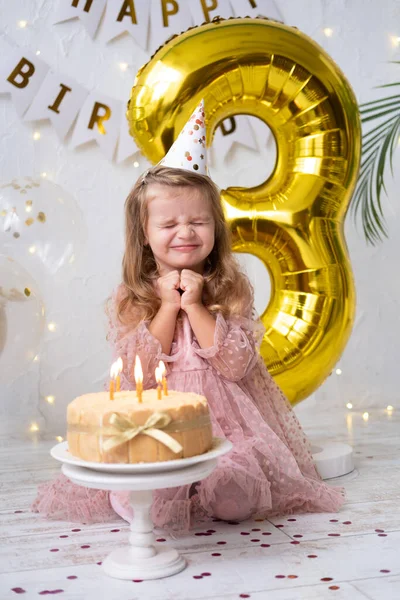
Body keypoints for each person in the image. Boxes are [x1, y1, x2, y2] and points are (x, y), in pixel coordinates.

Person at [32, 101, 345, 532]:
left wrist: (195, 305)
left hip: (225, 431)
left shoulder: (229, 287)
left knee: (235, 494)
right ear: (144, 235)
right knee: (146, 495)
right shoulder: (132, 296)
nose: (185, 232)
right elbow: (135, 373)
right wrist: (167, 306)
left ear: (215, 227)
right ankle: (161, 491)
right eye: (169, 225)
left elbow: (236, 366)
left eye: (198, 221)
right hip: (160, 427)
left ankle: (218, 487)